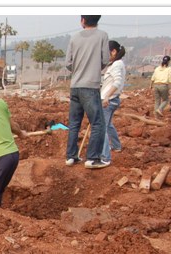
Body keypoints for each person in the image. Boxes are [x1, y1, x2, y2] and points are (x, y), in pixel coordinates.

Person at [64, 15, 110, 169]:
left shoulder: (74, 38)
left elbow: (68, 63)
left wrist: (78, 70)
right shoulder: (102, 36)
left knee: (74, 123)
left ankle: (71, 156)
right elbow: (105, 60)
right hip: (91, 86)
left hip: (75, 85)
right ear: (98, 19)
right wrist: (94, 69)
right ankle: (92, 158)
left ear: (83, 20)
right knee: (98, 123)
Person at [99, 40, 126, 165]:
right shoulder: (115, 64)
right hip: (112, 100)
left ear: (114, 51)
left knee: (102, 127)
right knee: (108, 125)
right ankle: (116, 146)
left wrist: (106, 98)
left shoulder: (116, 65)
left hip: (109, 100)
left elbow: (117, 82)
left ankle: (105, 157)